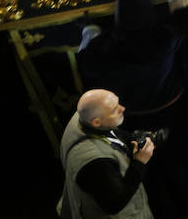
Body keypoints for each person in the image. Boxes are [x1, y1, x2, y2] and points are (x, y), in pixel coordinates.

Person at [58, 89, 154, 219]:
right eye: (115, 109)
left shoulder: (84, 117)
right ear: (96, 122)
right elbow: (115, 204)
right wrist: (140, 162)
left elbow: (111, 133)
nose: (123, 108)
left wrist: (134, 138)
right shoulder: (95, 161)